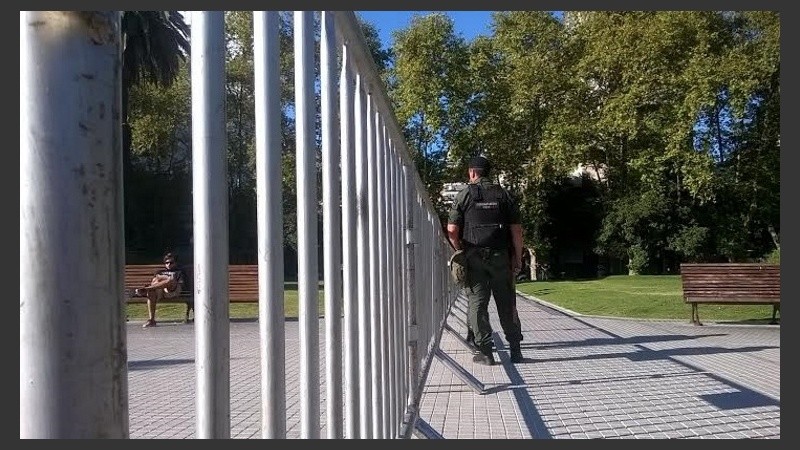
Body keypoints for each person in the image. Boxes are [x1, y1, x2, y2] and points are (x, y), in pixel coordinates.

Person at [447, 155, 525, 365]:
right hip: (501, 257)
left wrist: (460, 251)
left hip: (474, 257)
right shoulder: (504, 195)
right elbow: (516, 231)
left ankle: (486, 352)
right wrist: (517, 258)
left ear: (472, 172)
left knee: (478, 303)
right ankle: (515, 349)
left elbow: (452, 230)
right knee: (507, 302)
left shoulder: (464, 195)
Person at [135, 252, 187, 328]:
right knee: (152, 291)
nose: (169, 264)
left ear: (175, 263)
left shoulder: (179, 272)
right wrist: (164, 278)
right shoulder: (159, 271)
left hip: (172, 291)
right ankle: (151, 320)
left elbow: (179, 284)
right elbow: (154, 281)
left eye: (171, 262)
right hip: (160, 291)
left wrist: (165, 278)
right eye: (167, 262)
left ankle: (146, 289)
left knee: (171, 279)